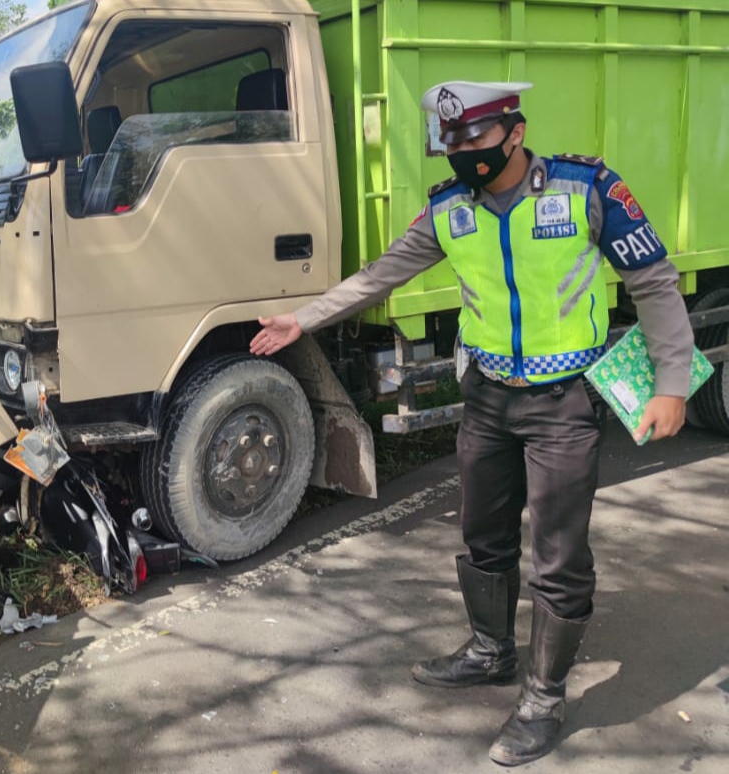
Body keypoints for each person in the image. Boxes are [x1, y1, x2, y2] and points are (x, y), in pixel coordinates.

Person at [251, 81, 694, 766]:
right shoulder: (449, 207)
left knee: (558, 554)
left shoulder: (584, 189)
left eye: (474, 138)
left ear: (514, 133)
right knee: (483, 535)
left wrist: (672, 383)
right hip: (487, 399)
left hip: (562, 405)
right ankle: (491, 652)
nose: (460, 152)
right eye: (450, 140)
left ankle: (544, 696)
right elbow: (379, 276)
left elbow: (654, 282)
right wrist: (301, 319)